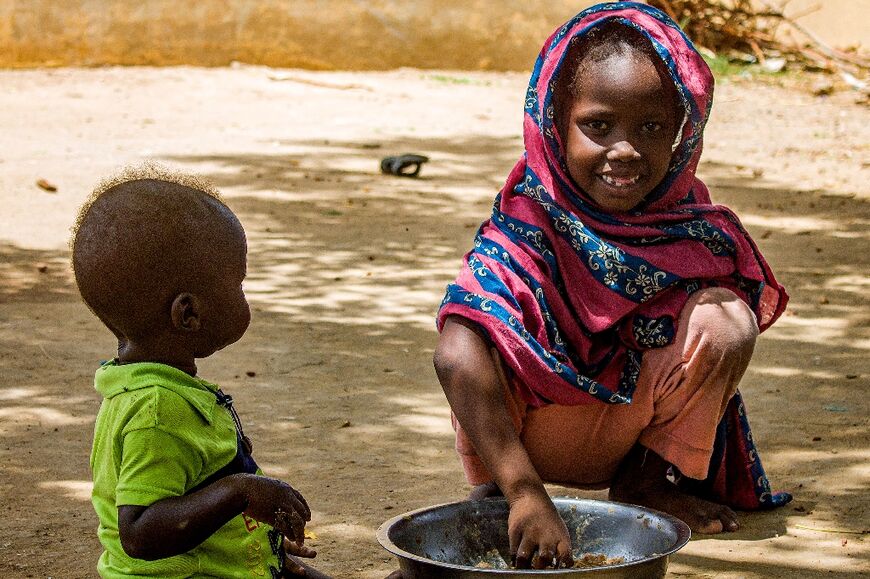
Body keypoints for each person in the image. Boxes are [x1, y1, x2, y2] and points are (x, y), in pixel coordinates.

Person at [434, 2, 790, 570]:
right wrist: (524, 489)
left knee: (726, 318)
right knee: (477, 330)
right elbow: (454, 352)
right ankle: (507, 495)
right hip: (525, 440)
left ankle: (647, 484)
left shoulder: (687, 224)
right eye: (598, 126)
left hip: (629, 432)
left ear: (682, 133)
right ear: (555, 121)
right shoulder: (527, 225)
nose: (624, 150)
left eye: (651, 129)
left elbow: (718, 336)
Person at [72, 164, 331, 578]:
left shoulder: (159, 389)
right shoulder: (156, 409)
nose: (244, 295)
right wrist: (241, 492)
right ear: (189, 313)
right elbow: (139, 533)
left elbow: (190, 493)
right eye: (238, 284)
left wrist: (255, 545)